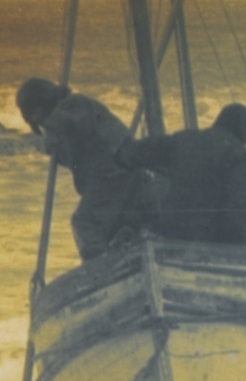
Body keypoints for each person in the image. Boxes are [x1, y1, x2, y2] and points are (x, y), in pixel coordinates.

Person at [16, 77, 156, 260]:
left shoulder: (72, 105)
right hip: (123, 177)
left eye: (39, 122)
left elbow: (73, 122)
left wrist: (51, 132)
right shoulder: (72, 110)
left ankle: (98, 271)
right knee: (119, 228)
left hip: (113, 176)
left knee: (85, 223)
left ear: (36, 112)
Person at [116, 102, 246, 246]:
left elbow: (143, 150)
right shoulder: (242, 157)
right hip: (210, 244)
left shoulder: (185, 139)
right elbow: (237, 211)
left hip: (168, 235)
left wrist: (122, 155)